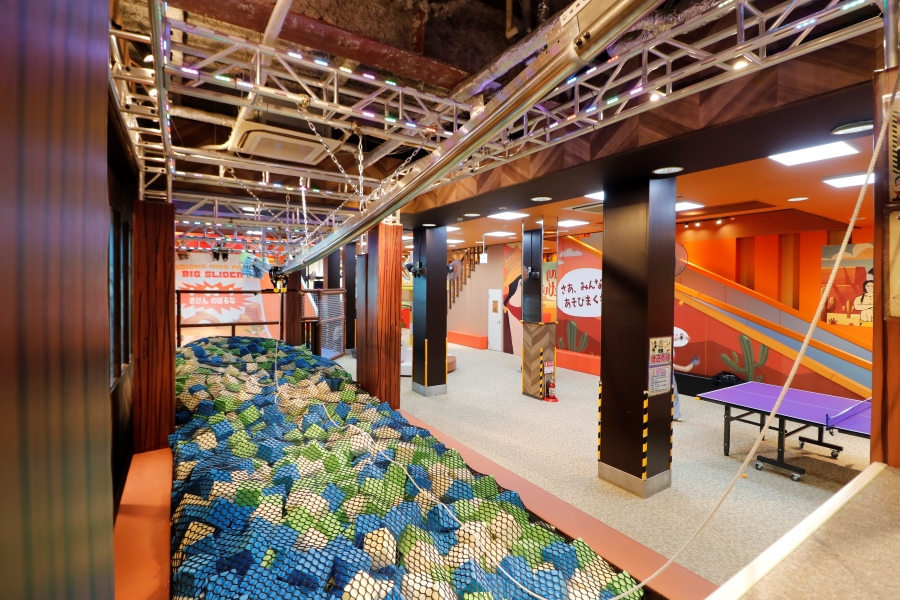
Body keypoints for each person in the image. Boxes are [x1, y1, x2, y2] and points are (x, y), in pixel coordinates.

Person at [672, 327, 700, 422]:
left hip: (668, 372)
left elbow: (672, 339)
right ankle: (674, 415)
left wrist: (683, 337)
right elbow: (669, 364)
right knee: (672, 394)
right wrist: (684, 368)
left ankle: (675, 415)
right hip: (664, 373)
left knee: (673, 393)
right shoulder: (665, 346)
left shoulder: (669, 345)